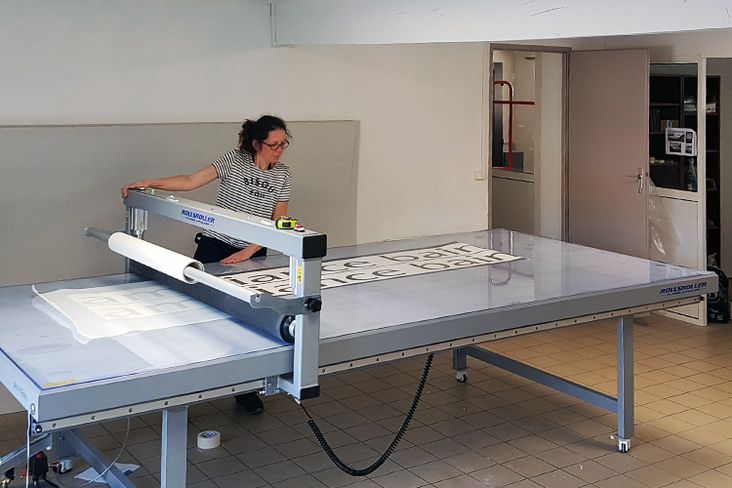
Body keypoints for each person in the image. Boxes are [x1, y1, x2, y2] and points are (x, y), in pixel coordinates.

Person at [121, 115, 293, 414]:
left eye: (283, 144)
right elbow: (191, 181)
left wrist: (250, 251)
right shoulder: (234, 161)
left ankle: (246, 388)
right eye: (273, 145)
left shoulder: (284, 175)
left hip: (253, 252)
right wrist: (150, 183)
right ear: (256, 143)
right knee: (200, 314)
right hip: (215, 245)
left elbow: (278, 220)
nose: (279, 150)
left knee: (248, 320)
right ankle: (185, 387)